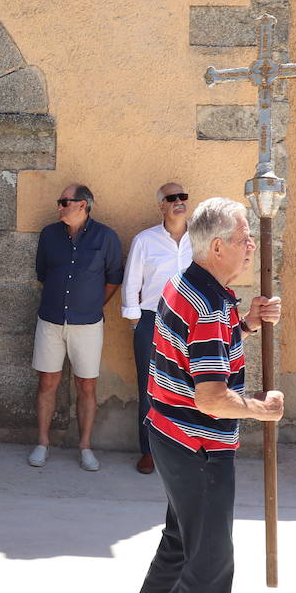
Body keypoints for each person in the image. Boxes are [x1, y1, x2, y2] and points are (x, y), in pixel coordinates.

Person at [113, 197, 283, 593]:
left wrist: (246, 323)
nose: (251, 245)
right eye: (243, 238)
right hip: (198, 446)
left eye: (250, 237)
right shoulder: (207, 302)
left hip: (170, 435)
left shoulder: (190, 285)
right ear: (215, 247)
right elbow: (210, 396)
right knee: (210, 563)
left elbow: (203, 347)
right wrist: (261, 411)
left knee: (182, 539)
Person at [28, 183, 123, 471]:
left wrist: (92, 304)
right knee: (47, 383)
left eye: (64, 202)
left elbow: (113, 278)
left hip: (88, 324)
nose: (59, 207)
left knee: (87, 385)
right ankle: (42, 443)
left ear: (82, 205)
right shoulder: (49, 235)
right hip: (51, 320)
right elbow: (43, 273)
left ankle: (85, 447)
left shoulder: (106, 237)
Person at [121, 182, 192, 474]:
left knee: (189, 387)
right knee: (149, 389)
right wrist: (138, 322)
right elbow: (131, 284)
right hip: (153, 318)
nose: (179, 202)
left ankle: (184, 451)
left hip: (192, 322)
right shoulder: (144, 240)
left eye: (183, 197)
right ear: (161, 205)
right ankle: (149, 452)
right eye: (171, 198)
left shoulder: (200, 239)